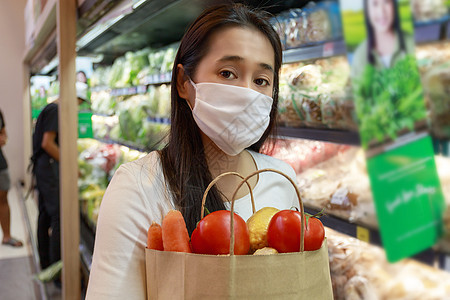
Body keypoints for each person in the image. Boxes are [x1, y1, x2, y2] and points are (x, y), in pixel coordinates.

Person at [86, 4, 300, 299]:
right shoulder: (138, 188)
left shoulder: (282, 180)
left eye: (261, 80)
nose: (247, 93)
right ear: (184, 83)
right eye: (228, 73)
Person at [33, 81, 89, 270]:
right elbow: (47, 143)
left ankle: (46, 261)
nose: (78, 107)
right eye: (78, 102)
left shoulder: (49, 109)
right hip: (49, 170)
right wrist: (71, 164)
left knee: (45, 214)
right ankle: (57, 269)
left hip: (43, 169)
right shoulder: (56, 111)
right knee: (58, 216)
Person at [351, 0, 415, 79]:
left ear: (393, 5)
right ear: (367, 10)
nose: (381, 11)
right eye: (375, 4)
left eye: (386, 2)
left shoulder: (412, 43)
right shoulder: (360, 56)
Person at [0, 109, 23, 247]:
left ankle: (7, 237)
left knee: (3, 198)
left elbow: (4, 132)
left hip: (1, 163)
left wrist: (3, 137)